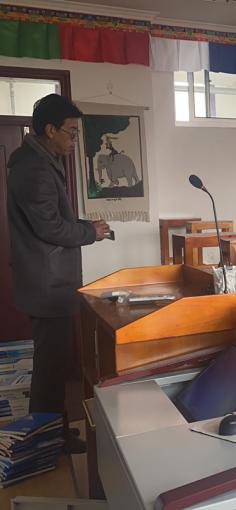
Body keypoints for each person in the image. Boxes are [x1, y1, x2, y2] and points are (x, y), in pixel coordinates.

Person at [6, 94, 111, 453]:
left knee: (51, 363)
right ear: (50, 130)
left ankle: (51, 433)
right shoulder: (33, 168)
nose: (74, 140)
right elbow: (49, 228)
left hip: (47, 279)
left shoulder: (38, 160)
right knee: (51, 367)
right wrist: (89, 233)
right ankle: (46, 440)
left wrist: (85, 226)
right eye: (71, 132)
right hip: (47, 282)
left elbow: (53, 219)